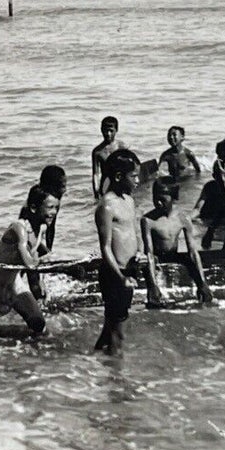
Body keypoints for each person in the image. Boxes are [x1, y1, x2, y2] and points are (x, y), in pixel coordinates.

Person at [0, 185, 56, 337]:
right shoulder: (18, 228)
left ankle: (35, 358)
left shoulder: (42, 228)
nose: (54, 212)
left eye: (56, 208)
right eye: (50, 207)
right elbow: (29, 262)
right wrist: (59, 267)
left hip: (13, 285)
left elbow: (38, 247)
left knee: (39, 325)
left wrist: (47, 255)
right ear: (33, 208)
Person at [93, 149, 143, 352]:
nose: (138, 181)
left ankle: (95, 361)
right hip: (115, 274)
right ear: (119, 176)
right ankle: (117, 378)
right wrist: (121, 277)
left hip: (129, 271)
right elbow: (105, 248)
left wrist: (139, 251)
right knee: (118, 331)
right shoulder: (106, 207)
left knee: (110, 326)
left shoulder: (129, 201)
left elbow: (133, 232)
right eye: (134, 176)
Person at [141, 178, 214, 307]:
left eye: (162, 200)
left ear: (173, 198)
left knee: (188, 260)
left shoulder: (182, 218)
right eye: (155, 198)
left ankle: (201, 288)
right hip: (157, 259)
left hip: (174, 256)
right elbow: (149, 253)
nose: (158, 203)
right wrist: (153, 285)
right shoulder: (148, 220)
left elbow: (193, 251)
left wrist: (202, 282)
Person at [193, 135, 225, 253]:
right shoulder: (212, 186)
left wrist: (222, 182)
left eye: (223, 157)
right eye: (218, 156)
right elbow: (201, 209)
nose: (219, 160)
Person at [27, 164, 67, 301]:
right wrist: (42, 250)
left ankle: (42, 297)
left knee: (42, 264)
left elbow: (51, 228)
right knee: (32, 273)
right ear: (51, 185)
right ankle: (37, 301)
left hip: (37, 236)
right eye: (62, 186)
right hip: (28, 238)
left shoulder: (55, 200)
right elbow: (29, 232)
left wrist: (49, 248)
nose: (65, 189)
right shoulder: (38, 199)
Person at [91, 116, 124, 197]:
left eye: (111, 131)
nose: (108, 134)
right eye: (106, 130)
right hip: (105, 186)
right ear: (101, 130)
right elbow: (96, 174)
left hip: (121, 185)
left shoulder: (122, 147)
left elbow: (131, 168)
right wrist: (96, 190)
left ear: (116, 130)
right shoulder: (97, 152)